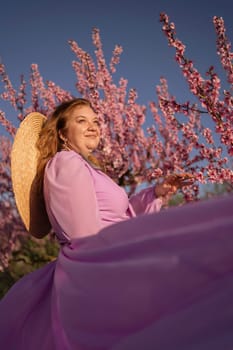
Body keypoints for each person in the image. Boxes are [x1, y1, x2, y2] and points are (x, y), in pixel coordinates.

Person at [0, 97, 233, 350]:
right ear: (62, 133)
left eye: (96, 121)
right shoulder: (66, 163)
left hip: (106, 255)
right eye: (82, 121)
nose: (94, 126)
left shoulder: (89, 169)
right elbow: (83, 233)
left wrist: (157, 192)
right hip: (95, 265)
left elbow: (122, 216)